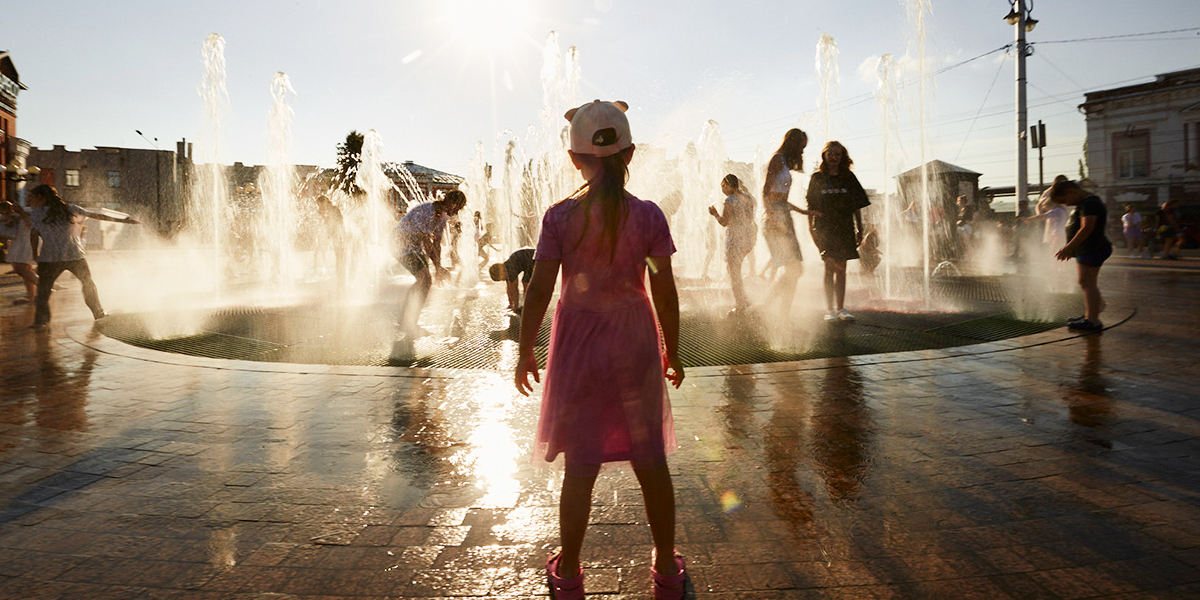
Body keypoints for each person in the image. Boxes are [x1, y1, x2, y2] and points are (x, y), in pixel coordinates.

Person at [514, 100, 686, 600]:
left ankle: (568, 572)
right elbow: (665, 291)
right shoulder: (649, 215)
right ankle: (665, 568)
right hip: (634, 338)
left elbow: (540, 290)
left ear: (574, 159)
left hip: (578, 344)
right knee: (650, 459)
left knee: (580, 465)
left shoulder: (561, 217)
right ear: (630, 152)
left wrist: (526, 350)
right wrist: (672, 351)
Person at [20, 184, 139, 329]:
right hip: (74, 255)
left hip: (50, 257)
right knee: (88, 284)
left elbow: (34, 234)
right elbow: (96, 215)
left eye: (33, 196)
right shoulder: (71, 209)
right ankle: (98, 313)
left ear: (41, 197)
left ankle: (41, 321)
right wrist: (124, 220)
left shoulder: (37, 213)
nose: (30, 199)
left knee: (43, 290)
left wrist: (35, 253)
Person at [805, 141, 869, 322]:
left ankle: (841, 308)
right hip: (825, 227)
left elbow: (857, 205)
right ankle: (829, 309)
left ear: (842, 157)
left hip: (844, 227)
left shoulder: (848, 177)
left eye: (837, 154)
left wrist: (860, 228)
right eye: (830, 154)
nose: (833, 157)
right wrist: (811, 228)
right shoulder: (817, 178)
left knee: (842, 268)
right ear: (824, 156)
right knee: (829, 266)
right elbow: (811, 205)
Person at [392, 190, 467, 336]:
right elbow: (427, 241)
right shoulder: (428, 210)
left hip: (412, 247)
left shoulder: (442, 217)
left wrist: (438, 267)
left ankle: (409, 322)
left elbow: (437, 244)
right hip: (399, 243)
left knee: (425, 281)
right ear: (451, 202)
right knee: (424, 279)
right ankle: (406, 322)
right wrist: (437, 267)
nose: (457, 211)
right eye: (458, 207)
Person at [761, 128, 817, 318]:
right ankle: (768, 308)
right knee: (794, 269)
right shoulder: (777, 159)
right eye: (801, 147)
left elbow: (781, 199)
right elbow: (765, 191)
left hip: (783, 215)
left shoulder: (783, 162)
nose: (802, 152)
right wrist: (771, 215)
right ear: (792, 143)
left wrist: (805, 211)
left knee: (795, 270)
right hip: (776, 219)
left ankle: (779, 313)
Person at [1050, 179, 1113, 332]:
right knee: (1088, 283)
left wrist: (1068, 248)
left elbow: (1087, 227)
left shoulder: (1089, 203)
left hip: (1091, 249)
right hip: (1089, 249)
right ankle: (1090, 316)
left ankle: (1092, 321)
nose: (1067, 204)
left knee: (1087, 283)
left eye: (1064, 200)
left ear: (1070, 191)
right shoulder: (1087, 202)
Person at [707, 174, 757, 315]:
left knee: (734, 273)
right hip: (748, 238)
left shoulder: (730, 200)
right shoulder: (749, 198)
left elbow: (724, 222)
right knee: (734, 271)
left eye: (722, 186)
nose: (722, 189)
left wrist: (715, 213)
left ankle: (740, 306)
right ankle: (744, 299)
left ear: (727, 185)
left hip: (736, 240)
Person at [0, 200, 38, 305]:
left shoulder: (26, 212)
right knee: (25, 269)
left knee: (20, 268)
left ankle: (43, 287)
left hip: (25, 243)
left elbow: (31, 225)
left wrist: (20, 214)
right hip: (18, 243)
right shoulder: (12, 216)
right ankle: (31, 295)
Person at [489, 247, 535, 313]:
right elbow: (509, 289)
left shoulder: (510, 269)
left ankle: (527, 306)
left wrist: (515, 308)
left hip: (532, 258)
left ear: (501, 273)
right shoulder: (506, 269)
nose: (503, 280)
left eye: (501, 279)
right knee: (525, 281)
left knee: (525, 282)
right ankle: (527, 305)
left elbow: (515, 290)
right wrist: (510, 304)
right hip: (528, 258)